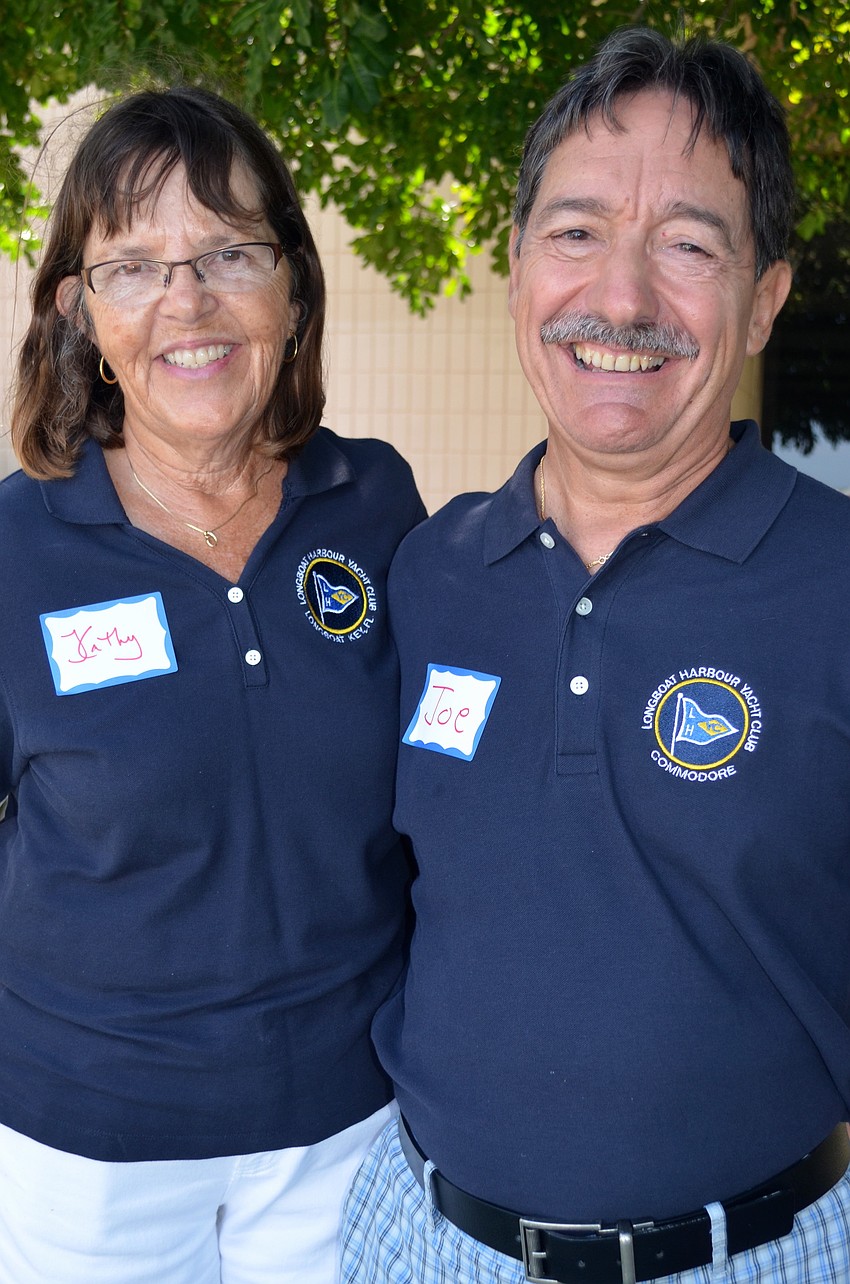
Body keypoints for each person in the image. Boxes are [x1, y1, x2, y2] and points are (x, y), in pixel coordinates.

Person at [340, 26, 850, 1284]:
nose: (621, 301)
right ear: (516, 270)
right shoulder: (431, 572)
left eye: (686, 245)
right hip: (422, 1244)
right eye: (574, 234)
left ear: (762, 302)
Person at [0, 85, 424, 1284]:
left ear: (291, 289)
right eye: (132, 266)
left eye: (228, 252)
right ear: (83, 316)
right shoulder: (15, 550)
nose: (187, 300)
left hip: (347, 1129)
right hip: (88, 1155)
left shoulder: (378, 505)